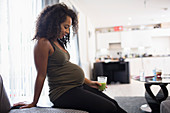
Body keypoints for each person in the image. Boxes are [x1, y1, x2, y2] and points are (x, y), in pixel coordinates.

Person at [13, 3, 127, 113]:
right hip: (63, 93)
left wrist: (90, 83)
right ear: (54, 23)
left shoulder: (57, 42)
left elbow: (65, 69)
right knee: (109, 108)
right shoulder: (43, 43)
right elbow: (41, 75)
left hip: (76, 86)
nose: (67, 32)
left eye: (69, 28)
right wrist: (34, 102)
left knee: (113, 103)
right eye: (65, 27)